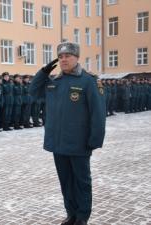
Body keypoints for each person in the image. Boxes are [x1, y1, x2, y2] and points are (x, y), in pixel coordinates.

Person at [29, 42, 106, 225]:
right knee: (66, 182)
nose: (63, 59)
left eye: (68, 56)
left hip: (79, 143)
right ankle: (71, 213)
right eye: (60, 56)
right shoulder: (55, 81)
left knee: (82, 182)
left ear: (76, 58)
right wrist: (44, 72)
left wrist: (94, 140)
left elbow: (98, 113)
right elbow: (33, 92)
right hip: (58, 143)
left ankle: (82, 217)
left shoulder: (89, 81)